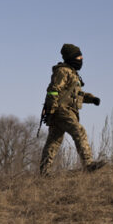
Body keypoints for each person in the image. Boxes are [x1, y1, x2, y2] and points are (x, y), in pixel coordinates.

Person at [39, 43, 103, 174]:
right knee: (79, 131)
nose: (81, 59)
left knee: (53, 142)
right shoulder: (63, 71)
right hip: (62, 110)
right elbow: (53, 90)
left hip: (65, 111)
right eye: (79, 57)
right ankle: (88, 164)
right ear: (71, 57)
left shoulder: (73, 74)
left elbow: (77, 95)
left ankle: (44, 172)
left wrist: (91, 99)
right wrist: (51, 110)